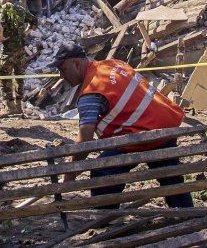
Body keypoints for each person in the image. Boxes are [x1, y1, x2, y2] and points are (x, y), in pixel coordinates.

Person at [52, 44, 193, 208]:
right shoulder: (114, 64)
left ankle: (107, 217)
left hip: (142, 133)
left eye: (63, 69)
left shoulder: (91, 92)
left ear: (76, 64)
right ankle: (185, 210)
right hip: (165, 124)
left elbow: (85, 141)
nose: (62, 76)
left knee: (103, 172)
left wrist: (70, 174)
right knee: (169, 172)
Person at [0, 0, 32, 116]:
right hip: (21, 49)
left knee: (3, 75)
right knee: (19, 76)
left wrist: (0, 37)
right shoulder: (20, 9)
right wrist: (26, 32)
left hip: (8, 50)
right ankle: (19, 105)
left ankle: (10, 106)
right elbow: (34, 21)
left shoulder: (4, 8)